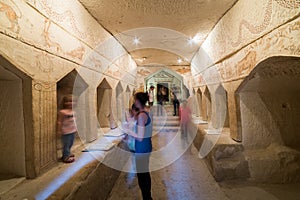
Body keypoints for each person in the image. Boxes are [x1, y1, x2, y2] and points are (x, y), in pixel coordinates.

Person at [125, 92, 153, 200]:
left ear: (137, 101)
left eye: (134, 99)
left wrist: (128, 131)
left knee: (142, 175)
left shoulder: (142, 116)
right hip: (145, 146)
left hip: (142, 147)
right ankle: (148, 196)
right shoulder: (144, 113)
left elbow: (140, 137)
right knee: (145, 173)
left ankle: (147, 197)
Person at [57, 94, 77, 163]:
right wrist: (59, 130)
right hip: (66, 131)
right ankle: (65, 157)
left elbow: (74, 120)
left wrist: (76, 128)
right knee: (66, 144)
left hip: (72, 130)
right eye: (68, 101)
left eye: (72, 101)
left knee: (71, 143)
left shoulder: (73, 111)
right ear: (64, 103)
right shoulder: (63, 112)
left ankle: (68, 153)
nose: (70, 103)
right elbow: (60, 121)